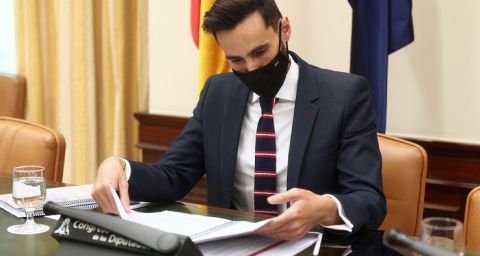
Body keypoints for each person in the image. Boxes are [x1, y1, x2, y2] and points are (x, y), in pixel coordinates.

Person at [92, 0, 386, 240]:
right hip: (231, 249)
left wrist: (324, 208)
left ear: (284, 29)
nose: (253, 68)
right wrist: (119, 166)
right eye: (237, 60)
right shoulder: (218, 93)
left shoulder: (344, 95)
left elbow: (369, 199)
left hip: (309, 249)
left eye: (260, 52)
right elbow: (174, 176)